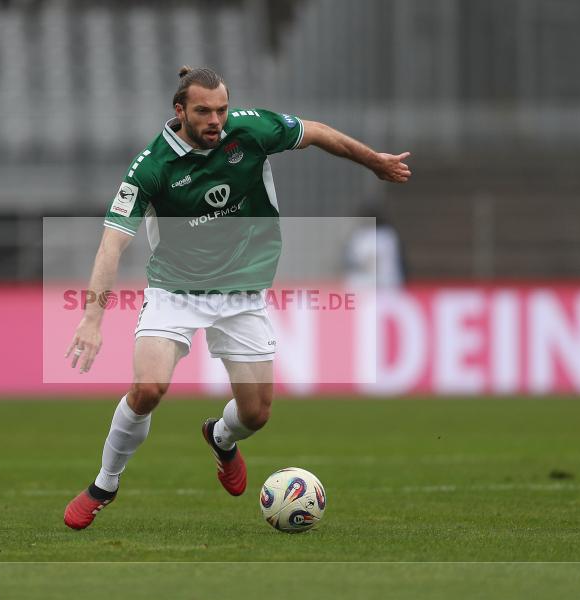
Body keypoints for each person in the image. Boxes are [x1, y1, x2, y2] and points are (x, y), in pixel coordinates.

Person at [63, 66, 411, 529]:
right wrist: (92, 319)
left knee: (256, 413)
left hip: (241, 292)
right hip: (175, 291)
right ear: (179, 111)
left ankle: (221, 437)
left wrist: (374, 161)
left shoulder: (249, 130)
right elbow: (112, 243)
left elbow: (317, 132)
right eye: (204, 111)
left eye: (222, 109)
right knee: (148, 388)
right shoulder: (152, 167)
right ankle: (105, 482)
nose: (215, 120)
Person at [344, 208, 407, 289]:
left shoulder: (360, 237)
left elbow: (352, 262)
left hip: (367, 286)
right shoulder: (389, 235)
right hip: (389, 285)